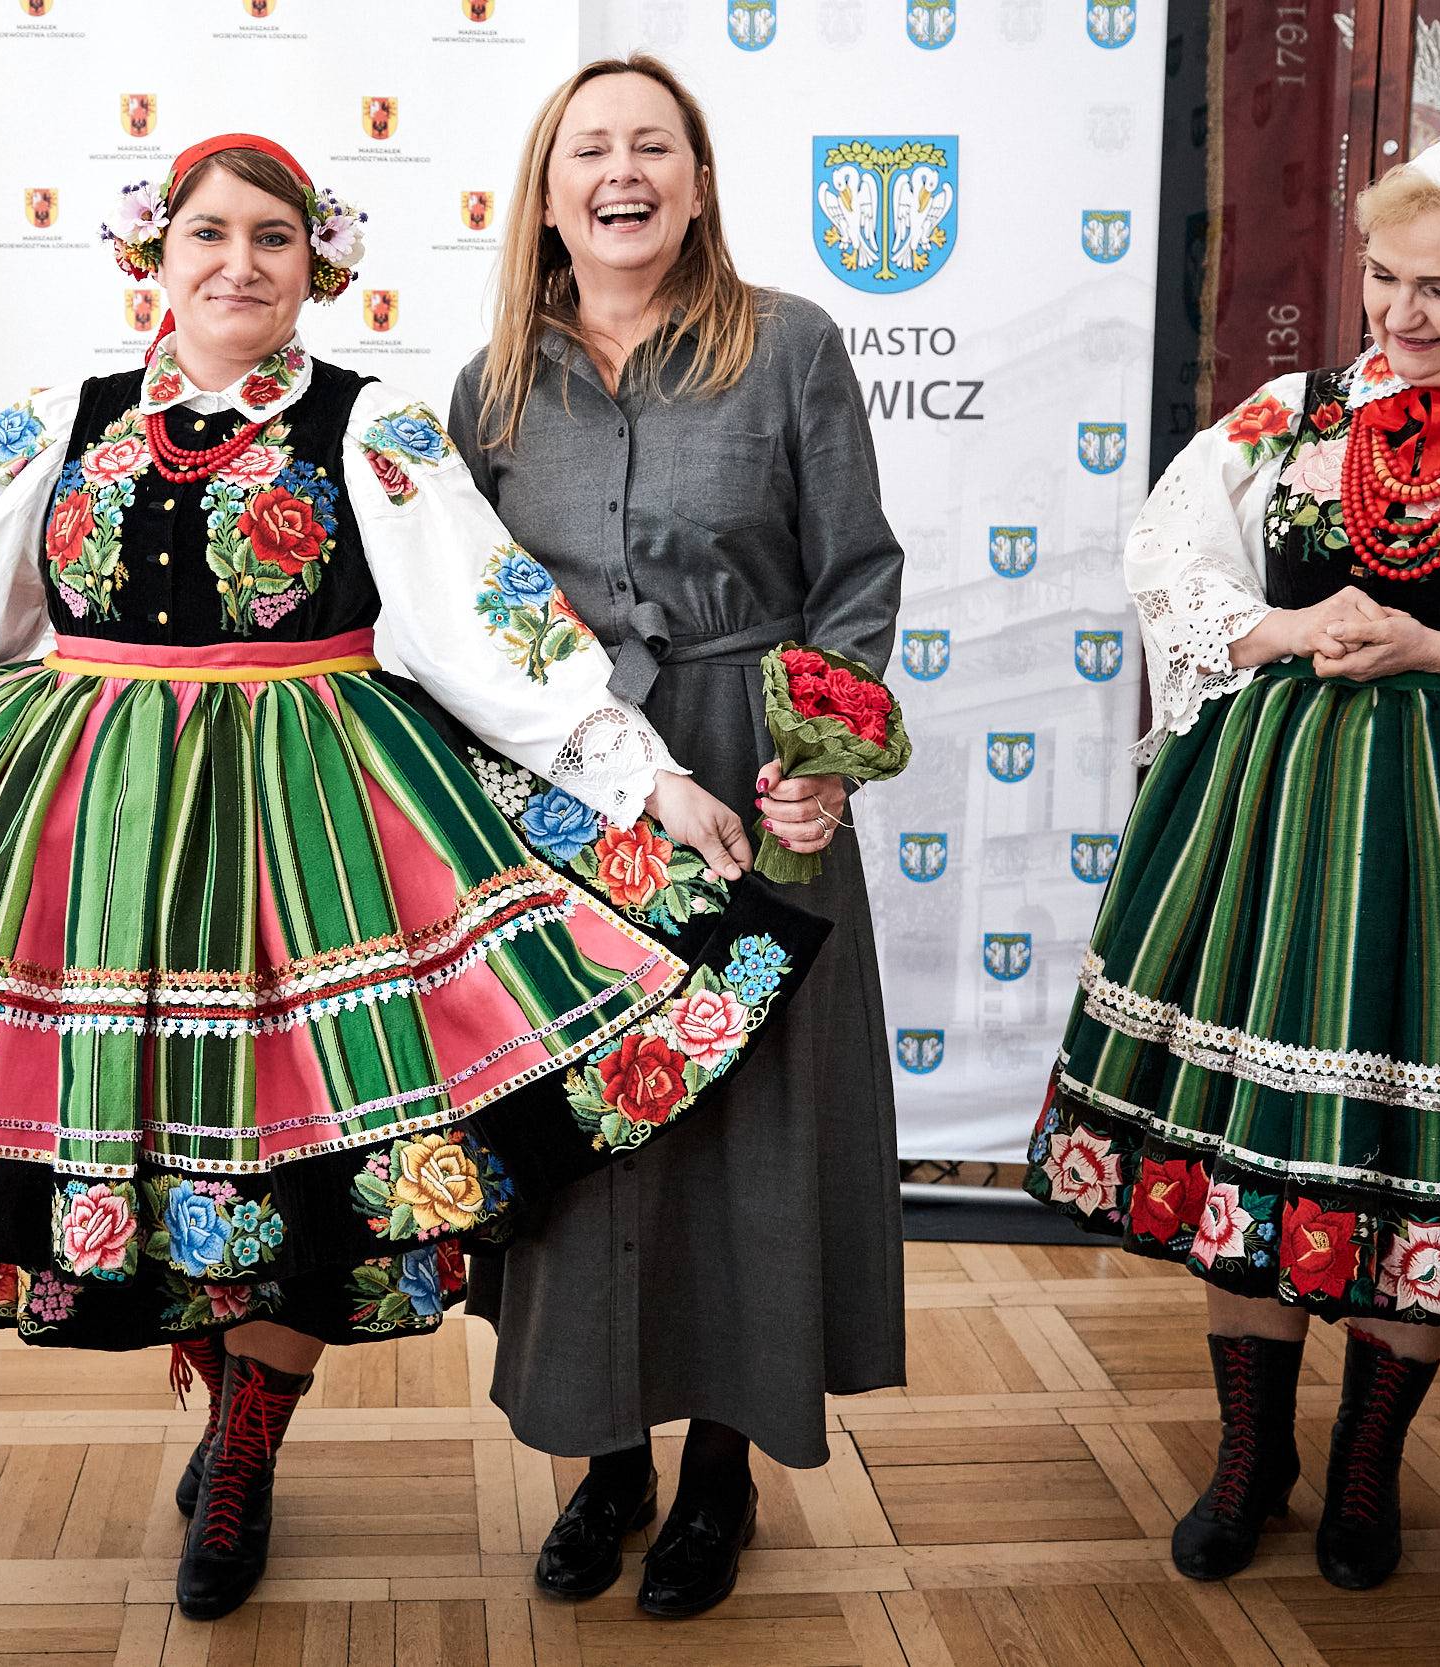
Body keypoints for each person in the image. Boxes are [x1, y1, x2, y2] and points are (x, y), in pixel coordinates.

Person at [0, 132, 829, 1621]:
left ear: (318, 265)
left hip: (313, 829)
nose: (239, 262)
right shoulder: (61, 420)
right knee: (144, 1136)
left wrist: (643, 777)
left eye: (273, 238)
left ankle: (249, 1438)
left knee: (304, 1144)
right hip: (95, 829)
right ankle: (222, 1411)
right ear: (156, 254)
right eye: (209, 232)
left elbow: (485, 623)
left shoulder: (371, 426)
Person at [1022, 120, 1440, 1590]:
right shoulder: (1295, 412)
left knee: (1416, 1149)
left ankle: (1365, 1467)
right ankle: (1249, 1452)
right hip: (1264, 819)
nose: (1403, 312)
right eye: (1384, 276)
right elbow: (1168, 553)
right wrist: (1282, 626)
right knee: (1250, 1133)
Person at [448, 56, 907, 1620]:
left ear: (699, 181)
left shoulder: (792, 345)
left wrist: (823, 766)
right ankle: (607, 1461)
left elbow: (856, 578)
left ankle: (720, 1469)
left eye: (654, 145)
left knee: (748, 1134)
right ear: (547, 191)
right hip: (566, 800)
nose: (623, 171)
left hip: (755, 769)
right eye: (590, 149)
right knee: (593, 1128)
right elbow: (465, 624)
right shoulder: (491, 387)